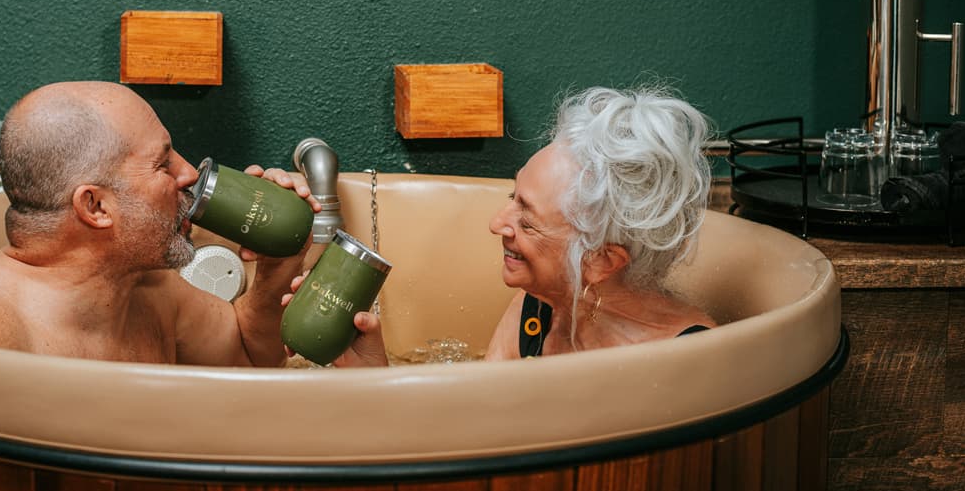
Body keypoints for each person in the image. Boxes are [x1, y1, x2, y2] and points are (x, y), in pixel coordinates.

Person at [286, 85, 717, 366]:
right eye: (513, 198)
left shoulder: (687, 363)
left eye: (527, 221)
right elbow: (467, 435)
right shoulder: (538, 309)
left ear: (603, 260)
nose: (498, 223)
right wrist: (372, 373)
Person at [0, 81, 317, 366]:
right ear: (95, 206)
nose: (190, 175)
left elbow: (248, 356)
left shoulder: (144, 284)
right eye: (163, 163)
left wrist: (278, 266)